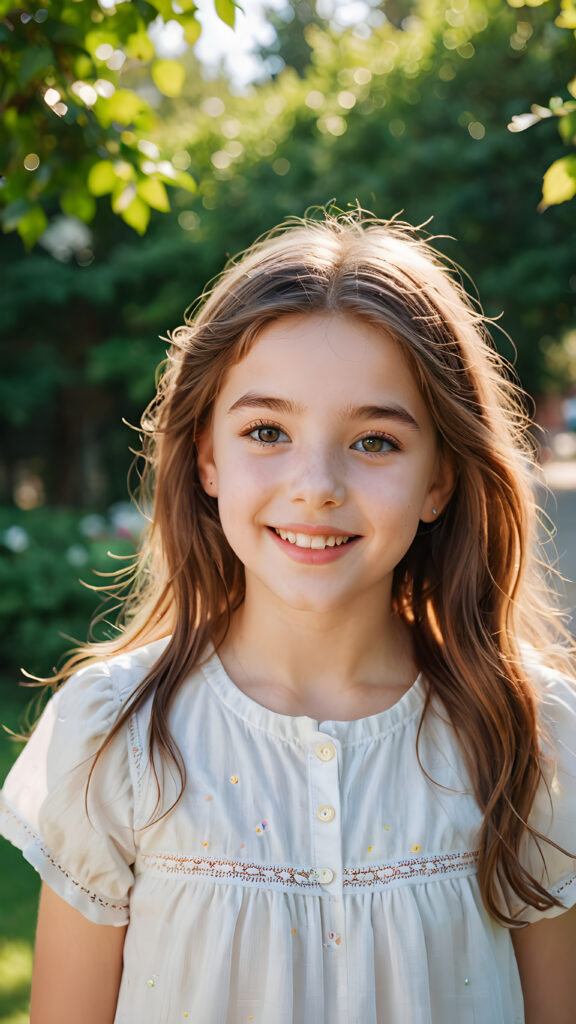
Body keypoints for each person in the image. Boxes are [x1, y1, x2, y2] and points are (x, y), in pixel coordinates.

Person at [1, 211, 575, 1024]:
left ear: (440, 480)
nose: (317, 485)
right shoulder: (114, 738)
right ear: (206, 457)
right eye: (267, 430)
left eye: (375, 441)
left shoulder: (528, 735)